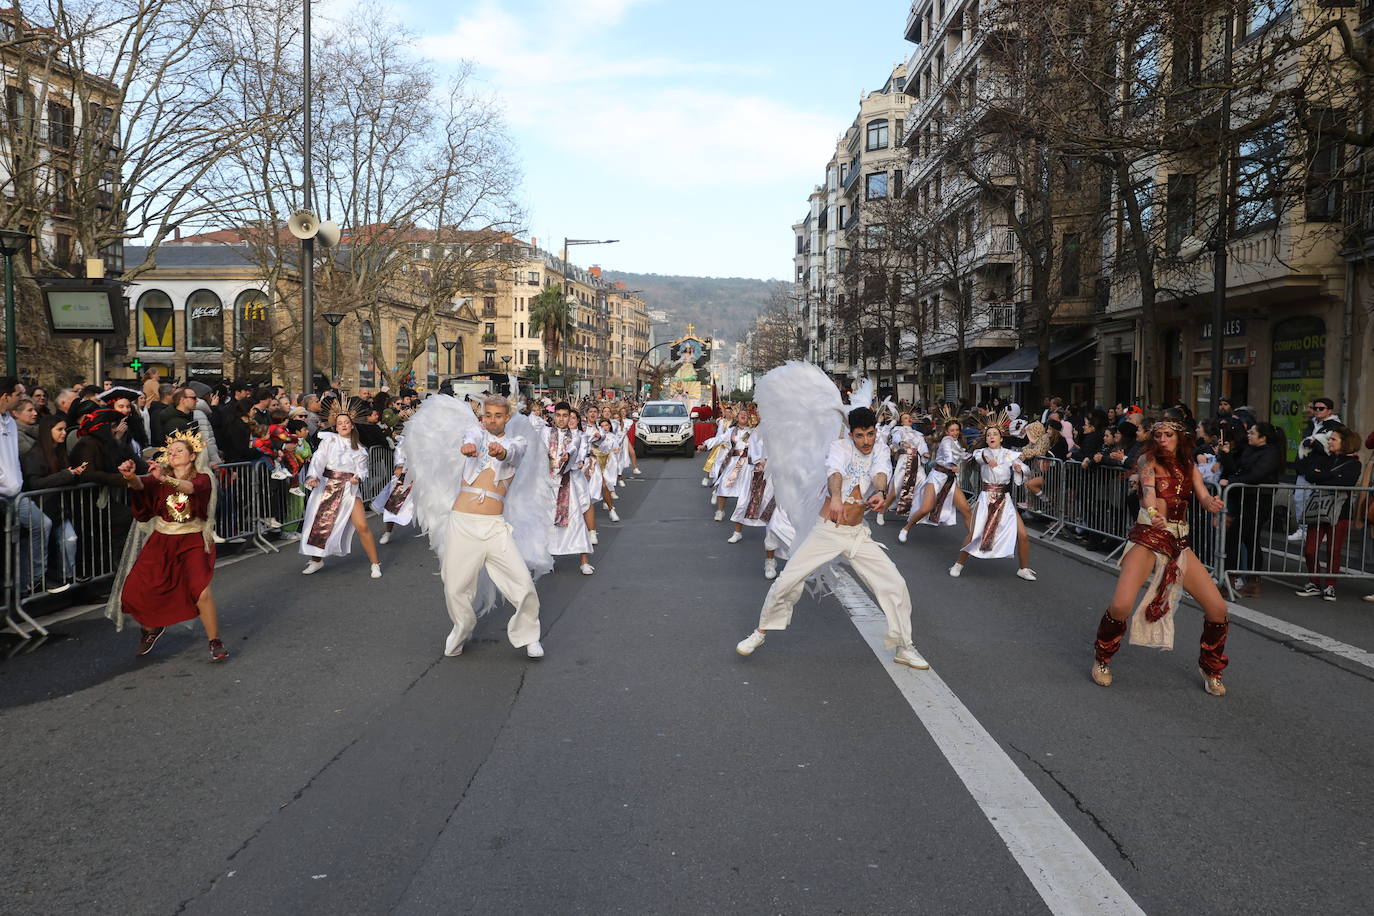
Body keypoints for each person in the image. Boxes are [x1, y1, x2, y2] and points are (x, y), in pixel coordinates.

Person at [736, 405, 929, 670]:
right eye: (860, 435)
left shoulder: (881, 449)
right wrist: (836, 498)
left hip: (858, 535)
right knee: (788, 580)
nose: (866, 441)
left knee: (895, 584)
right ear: (851, 434)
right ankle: (760, 632)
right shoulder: (839, 448)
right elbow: (834, 473)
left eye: (870, 434)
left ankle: (904, 647)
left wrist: (882, 492)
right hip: (828, 531)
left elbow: (880, 473)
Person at [1090, 419, 1231, 696]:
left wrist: (1211, 504)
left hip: (1178, 541)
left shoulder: (1189, 466)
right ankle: (1102, 658)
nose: (1163, 439)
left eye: (1169, 434)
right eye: (1159, 435)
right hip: (1148, 536)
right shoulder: (1147, 461)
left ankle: (1211, 667)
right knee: (1121, 605)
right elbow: (1148, 493)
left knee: (1217, 609)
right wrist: (1154, 515)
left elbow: (1202, 495)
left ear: (1179, 438)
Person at [407, 395, 548, 659]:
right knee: (455, 587)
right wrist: (470, 446)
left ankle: (529, 637)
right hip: (462, 523)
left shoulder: (517, 442)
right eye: (488, 415)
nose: (492, 420)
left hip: (494, 527)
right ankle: (462, 628)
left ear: (507, 417)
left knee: (522, 583)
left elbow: (512, 453)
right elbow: (469, 438)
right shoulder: (476, 434)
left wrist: (501, 452)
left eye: (498, 415)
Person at [109, 430, 227, 661]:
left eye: (179, 451)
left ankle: (214, 640)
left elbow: (190, 489)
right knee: (134, 589)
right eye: (170, 451)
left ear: (192, 456)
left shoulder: (203, 477)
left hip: (192, 540)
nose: (173, 454)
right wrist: (131, 477)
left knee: (201, 591)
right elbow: (141, 487)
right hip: (162, 539)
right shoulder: (159, 477)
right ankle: (151, 629)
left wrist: (164, 479)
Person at [300, 407, 381, 578]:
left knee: (362, 526)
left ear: (352, 426)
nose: (343, 425)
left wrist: (357, 477)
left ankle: (375, 563)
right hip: (327, 486)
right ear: (335, 427)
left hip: (348, 490)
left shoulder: (359, 449)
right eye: (340, 423)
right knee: (320, 524)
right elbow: (318, 459)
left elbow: (363, 469)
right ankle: (316, 560)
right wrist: (313, 475)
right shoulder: (328, 442)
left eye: (346, 423)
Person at [950, 423, 1036, 581]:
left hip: (1005, 499)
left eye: (995, 434)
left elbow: (1026, 470)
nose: (991, 437)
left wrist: (1020, 469)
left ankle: (1023, 568)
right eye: (989, 434)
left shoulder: (1010, 454)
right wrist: (988, 460)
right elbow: (980, 458)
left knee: (1023, 535)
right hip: (986, 498)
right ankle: (958, 564)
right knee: (975, 534)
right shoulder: (981, 452)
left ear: (1001, 438)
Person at [1293, 426, 1362, 601]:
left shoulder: (1354, 463)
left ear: (1344, 443)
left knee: (1334, 549)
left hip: (1340, 511)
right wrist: (1330, 476)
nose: (1329, 441)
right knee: (1310, 549)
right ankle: (1314, 582)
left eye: (1334, 439)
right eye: (1330, 438)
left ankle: (1331, 585)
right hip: (1319, 507)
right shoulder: (1325, 458)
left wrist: (1323, 475)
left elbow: (1346, 482)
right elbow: (1309, 475)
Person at [21, 414, 87, 592]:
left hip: (58, 509)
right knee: (55, 541)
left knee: (70, 539)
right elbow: (35, 483)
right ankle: (46, 580)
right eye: (59, 429)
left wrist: (75, 474)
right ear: (47, 431)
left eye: (64, 429)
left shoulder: (60, 451)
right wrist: (66, 475)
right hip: (44, 507)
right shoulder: (35, 454)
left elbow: (64, 476)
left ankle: (67, 578)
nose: (64, 433)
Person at [1220, 422, 1284, 598]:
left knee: (1236, 535)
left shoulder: (1270, 453)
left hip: (1259, 500)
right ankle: (1250, 582)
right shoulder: (1249, 450)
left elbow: (1256, 476)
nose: (1249, 435)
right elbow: (1237, 469)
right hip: (1245, 498)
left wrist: (1232, 481)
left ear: (1263, 437)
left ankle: (1233, 578)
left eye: (1253, 433)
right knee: (1250, 539)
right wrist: (1226, 455)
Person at [898, 417, 971, 543]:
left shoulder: (957, 443)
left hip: (949, 480)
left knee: (965, 509)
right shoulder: (946, 441)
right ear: (947, 432)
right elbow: (948, 456)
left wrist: (979, 455)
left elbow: (964, 456)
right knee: (926, 508)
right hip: (936, 477)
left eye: (957, 430)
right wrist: (952, 465)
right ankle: (906, 528)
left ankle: (973, 538)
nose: (955, 433)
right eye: (952, 430)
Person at [1288, 397, 1342, 542]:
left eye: (1321, 408)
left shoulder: (1335, 425)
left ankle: (1318, 531)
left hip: (1320, 467)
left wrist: (1316, 443)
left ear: (1329, 410)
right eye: (1315, 408)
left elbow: (1330, 447)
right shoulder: (1312, 424)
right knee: (1300, 499)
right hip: (1306, 467)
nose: (1317, 411)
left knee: (1318, 500)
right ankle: (1303, 529)